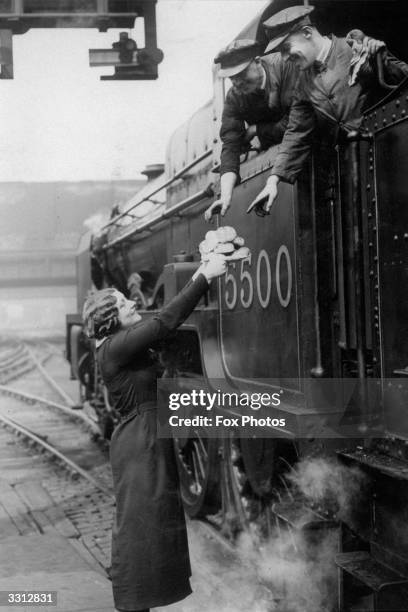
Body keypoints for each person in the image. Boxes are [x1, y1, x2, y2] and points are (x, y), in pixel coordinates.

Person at [82, 254, 227, 612]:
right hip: (140, 441)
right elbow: (165, 321)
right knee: (140, 527)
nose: (133, 303)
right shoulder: (116, 346)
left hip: (144, 437)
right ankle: (132, 602)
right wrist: (204, 275)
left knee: (149, 523)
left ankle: (138, 601)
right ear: (112, 318)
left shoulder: (116, 344)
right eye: (123, 303)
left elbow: (161, 328)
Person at [248, 5, 408, 216]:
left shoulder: (354, 47)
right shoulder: (302, 84)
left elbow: (402, 82)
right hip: (351, 172)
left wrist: (383, 58)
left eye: (286, 48)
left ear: (307, 33)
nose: (285, 58)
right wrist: (272, 181)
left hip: (393, 158)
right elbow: (296, 133)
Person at [204, 38, 298, 221]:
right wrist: (226, 196)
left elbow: (297, 121)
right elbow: (231, 145)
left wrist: (257, 129)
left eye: (241, 74)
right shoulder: (235, 97)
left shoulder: (286, 66)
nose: (237, 83)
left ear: (257, 61)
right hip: (281, 156)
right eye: (232, 78)